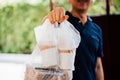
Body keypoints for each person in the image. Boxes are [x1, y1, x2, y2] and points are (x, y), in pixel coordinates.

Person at [42, 0, 104, 80]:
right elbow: (46, 28)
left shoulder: (96, 29)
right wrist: (50, 17)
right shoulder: (62, 21)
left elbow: (98, 65)